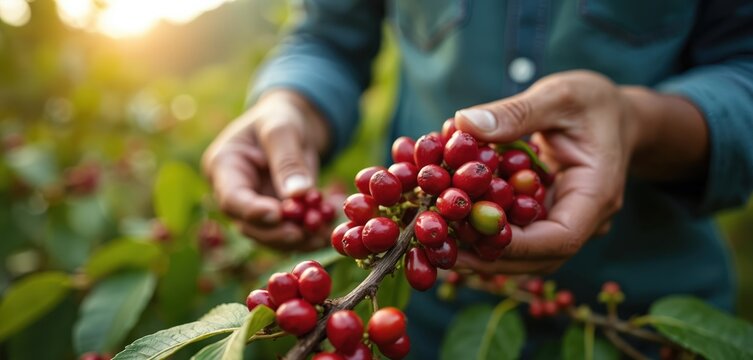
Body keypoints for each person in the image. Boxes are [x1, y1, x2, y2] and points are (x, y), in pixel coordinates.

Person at [203, 0, 753, 357]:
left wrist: (636, 123)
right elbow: (328, 37)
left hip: (648, 312)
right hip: (435, 322)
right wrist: (290, 103)